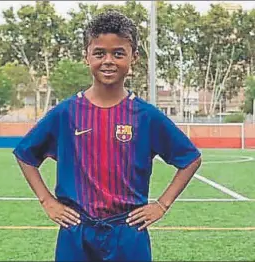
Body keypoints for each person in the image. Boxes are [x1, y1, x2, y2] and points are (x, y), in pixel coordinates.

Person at [13, 10, 201, 262]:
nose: (108, 60)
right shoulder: (66, 113)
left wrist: (162, 205)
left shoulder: (146, 116)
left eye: (118, 53)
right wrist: (47, 200)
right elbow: (26, 154)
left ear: (133, 57)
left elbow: (190, 158)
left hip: (128, 232)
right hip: (76, 229)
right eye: (99, 53)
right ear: (86, 57)